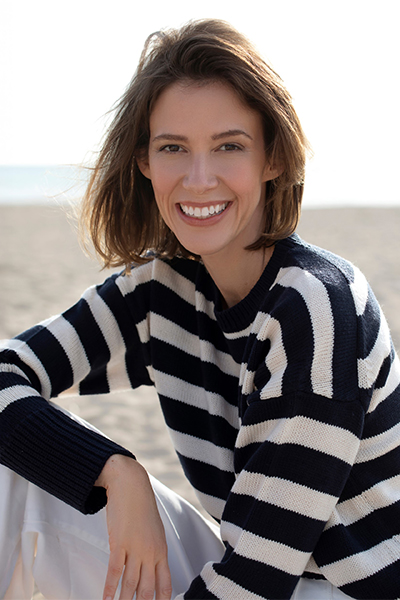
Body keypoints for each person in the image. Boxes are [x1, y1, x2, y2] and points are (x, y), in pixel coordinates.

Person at [1, 17, 399, 600]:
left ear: (272, 159)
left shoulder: (315, 309)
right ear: (144, 161)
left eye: (228, 146)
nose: (198, 179)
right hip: (241, 563)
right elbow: (6, 373)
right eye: (173, 148)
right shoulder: (158, 290)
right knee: (16, 467)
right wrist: (116, 471)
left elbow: (255, 583)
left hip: (340, 590)